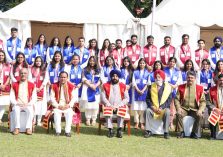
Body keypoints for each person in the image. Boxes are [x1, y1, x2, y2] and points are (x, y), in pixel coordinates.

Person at [175, 71, 206, 139]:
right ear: (186, 78)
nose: (190, 79)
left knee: (200, 116)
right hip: (184, 108)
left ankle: (194, 132)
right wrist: (178, 108)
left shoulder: (200, 88)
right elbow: (176, 99)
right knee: (178, 114)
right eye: (188, 77)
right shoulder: (181, 87)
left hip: (195, 109)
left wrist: (200, 110)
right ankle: (181, 132)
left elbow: (203, 101)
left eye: (192, 78)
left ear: (195, 79)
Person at [101, 69, 129, 138]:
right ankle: (110, 130)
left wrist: (119, 105)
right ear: (111, 77)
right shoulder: (105, 85)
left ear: (118, 77)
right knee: (107, 110)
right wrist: (110, 105)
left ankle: (119, 130)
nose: (115, 77)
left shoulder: (123, 86)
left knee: (122, 110)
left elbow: (127, 98)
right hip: (109, 105)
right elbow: (103, 98)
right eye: (113, 76)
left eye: (116, 76)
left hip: (119, 106)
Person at [144, 70, 172, 139]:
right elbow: (147, 99)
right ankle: (148, 131)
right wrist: (152, 106)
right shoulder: (151, 87)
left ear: (162, 78)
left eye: (159, 77)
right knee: (147, 111)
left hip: (163, 109)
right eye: (156, 77)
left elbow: (169, 100)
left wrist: (162, 107)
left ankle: (166, 132)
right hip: (153, 109)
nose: (157, 78)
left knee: (168, 111)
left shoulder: (168, 87)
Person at [50, 71, 78, 137]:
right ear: (59, 78)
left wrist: (68, 105)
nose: (63, 79)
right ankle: (58, 131)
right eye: (61, 77)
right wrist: (57, 106)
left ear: (67, 78)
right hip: (57, 106)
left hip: (67, 106)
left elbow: (74, 98)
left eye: (64, 77)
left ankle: (67, 131)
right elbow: (52, 98)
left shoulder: (72, 86)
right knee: (56, 113)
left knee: (69, 113)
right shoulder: (54, 86)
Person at [10, 68, 37, 135]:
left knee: (30, 110)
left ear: (27, 74)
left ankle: (28, 128)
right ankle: (17, 128)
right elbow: (11, 96)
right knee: (16, 110)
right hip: (17, 104)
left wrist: (28, 104)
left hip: (27, 104)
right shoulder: (14, 84)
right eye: (21, 73)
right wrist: (17, 103)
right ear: (19, 74)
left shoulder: (32, 85)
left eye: (25, 73)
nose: (23, 75)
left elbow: (34, 97)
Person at [81, 56, 101, 126]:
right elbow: (83, 79)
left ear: (96, 62)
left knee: (95, 105)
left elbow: (101, 80)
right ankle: (88, 119)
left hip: (96, 89)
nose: (92, 62)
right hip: (87, 88)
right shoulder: (85, 69)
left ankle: (94, 119)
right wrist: (90, 85)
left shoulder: (99, 69)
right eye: (90, 61)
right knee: (88, 104)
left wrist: (95, 86)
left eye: (93, 61)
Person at [132, 58, 149, 129]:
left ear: (145, 64)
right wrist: (138, 90)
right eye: (140, 63)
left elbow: (148, 83)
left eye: (143, 63)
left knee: (143, 108)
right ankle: (136, 122)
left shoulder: (148, 73)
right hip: (136, 92)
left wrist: (143, 90)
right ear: (139, 64)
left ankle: (142, 123)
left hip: (144, 92)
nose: (142, 64)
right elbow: (134, 82)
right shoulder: (135, 72)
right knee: (136, 108)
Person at [164, 57, 181, 128]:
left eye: (173, 62)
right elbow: (164, 80)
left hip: (174, 90)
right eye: (170, 61)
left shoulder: (178, 71)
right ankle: (166, 122)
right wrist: (171, 85)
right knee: (166, 107)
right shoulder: (164, 70)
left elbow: (180, 80)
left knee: (172, 108)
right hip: (166, 90)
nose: (172, 63)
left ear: (175, 63)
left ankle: (171, 122)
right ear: (168, 62)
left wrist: (175, 86)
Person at [30, 56, 48, 126]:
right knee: (34, 104)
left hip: (42, 90)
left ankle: (39, 121)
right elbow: (30, 79)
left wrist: (41, 87)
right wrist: (35, 88)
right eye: (37, 61)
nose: (38, 62)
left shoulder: (44, 70)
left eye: (39, 61)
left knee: (40, 106)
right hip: (33, 89)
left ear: (41, 62)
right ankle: (33, 120)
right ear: (35, 62)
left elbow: (46, 79)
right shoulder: (31, 69)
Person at [208, 74, 223, 140]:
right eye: (220, 80)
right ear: (217, 81)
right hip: (216, 110)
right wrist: (214, 108)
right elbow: (208, 101)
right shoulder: (212, 89)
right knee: (212, 114)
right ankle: (213, 135)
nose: (222, 82)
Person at [0, 50, 11, 124]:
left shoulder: (8, 65)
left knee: (3, 103)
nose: (1, 57)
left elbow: (9, 76)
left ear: (4, 56)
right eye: (0, 55)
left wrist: (4, 85)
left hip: (5, 87)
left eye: (2, 55)